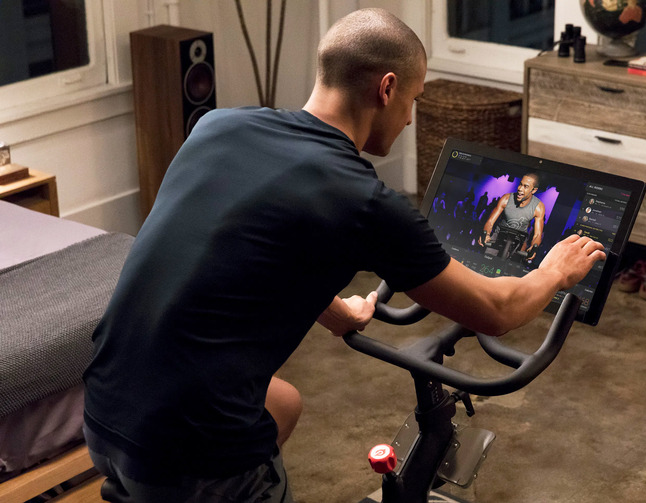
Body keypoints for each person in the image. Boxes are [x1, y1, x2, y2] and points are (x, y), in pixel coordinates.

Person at [83, 8, 605, 503]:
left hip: (104, 406)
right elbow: (496, 309)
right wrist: (554, 271)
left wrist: (337, 312)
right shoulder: (362, 201)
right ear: (387, 89)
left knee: (283, 403)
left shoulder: (218, 126)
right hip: (188, 451)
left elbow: (252, 248)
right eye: (413, 100)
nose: (408, 119)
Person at [478, 173, 545, 261]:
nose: (520, 188)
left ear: (533, 190)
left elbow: (537, 234)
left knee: (515, 264)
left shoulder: (538, 207)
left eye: (525, 186)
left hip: (520, 239)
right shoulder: (506, 199)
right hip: (499, 235)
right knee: (486, 262)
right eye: (520, 184)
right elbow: (490, 222)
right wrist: (486, 234)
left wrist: (534, 246)